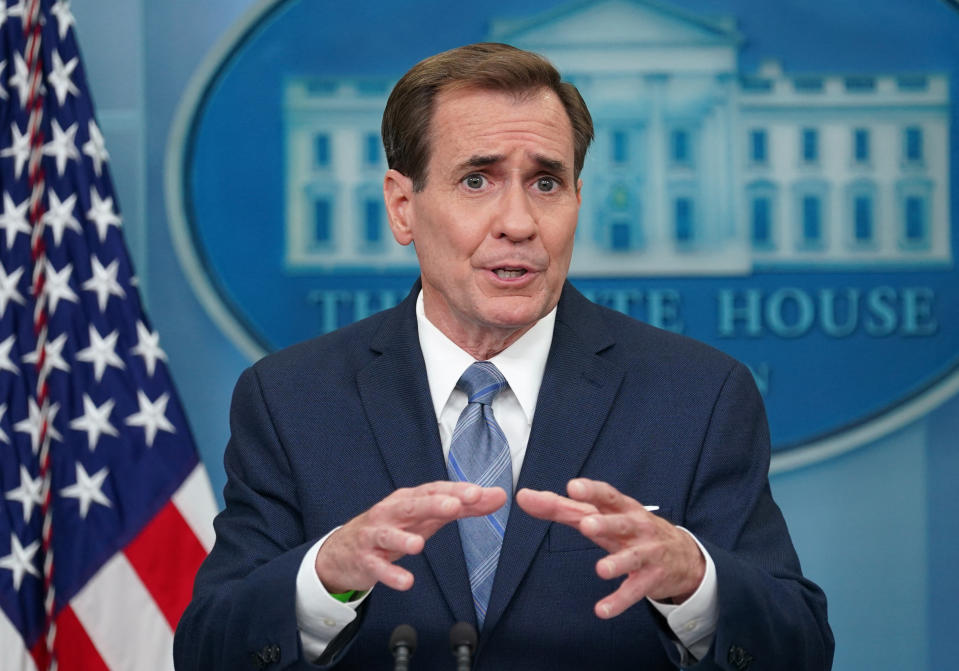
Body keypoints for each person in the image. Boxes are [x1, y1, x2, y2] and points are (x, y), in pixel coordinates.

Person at [174, 43, 833, 670]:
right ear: (403, 208)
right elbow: (208, 649)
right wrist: (324, 577)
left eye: (545, 182)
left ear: (577, 198)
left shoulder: (697, 395)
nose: (517, 220)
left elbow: (799, 647)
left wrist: (694, 581)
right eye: (477, 179)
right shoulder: (291, 399)